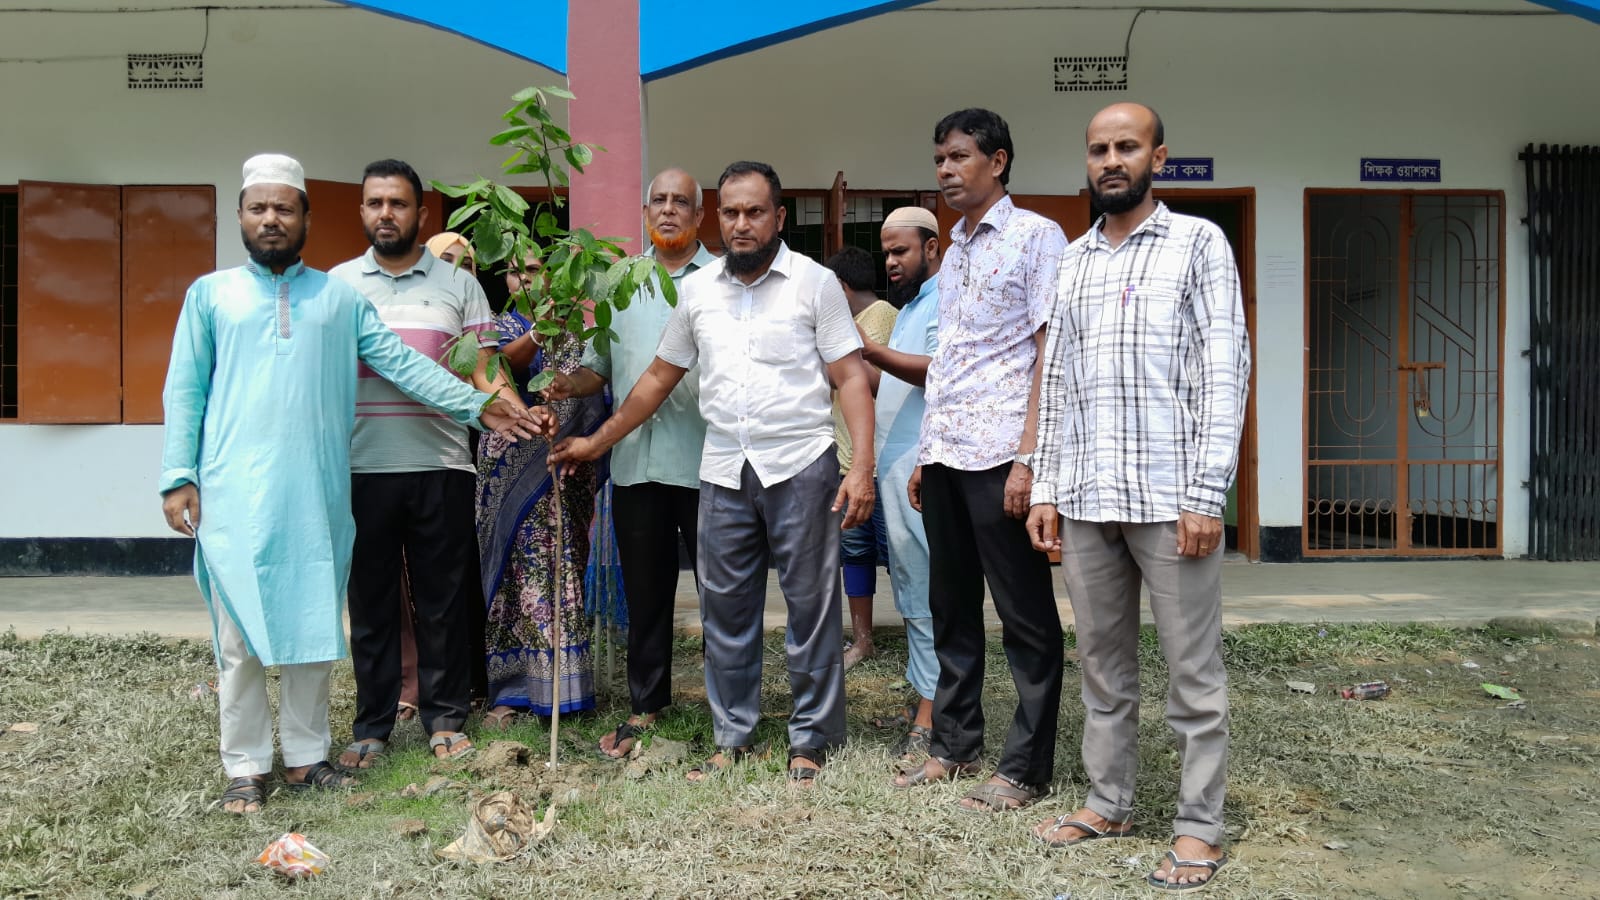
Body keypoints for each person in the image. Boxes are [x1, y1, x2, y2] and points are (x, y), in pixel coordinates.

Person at [159, 153, 539, 815]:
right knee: (239, 637)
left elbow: (403, 366)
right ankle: (246, 767)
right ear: (241, 216)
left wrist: (482, 406)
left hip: (319, 488)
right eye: (259, 208)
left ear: (306, 216)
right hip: (234, 492)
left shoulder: (338, 299)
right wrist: (178, 475)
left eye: (284, 208)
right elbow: (185, 390)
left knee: (312, 627)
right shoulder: (210, 295)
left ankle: (306, 757)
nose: (271, 219)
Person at [550, 161, 876, 785]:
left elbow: (851, 378)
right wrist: (594, 442)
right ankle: (734, 735)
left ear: (779, 217)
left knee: (809, 607)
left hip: (800, 463)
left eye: (755, 212)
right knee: (724, 611)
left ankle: (810, 738)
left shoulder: (814, 283)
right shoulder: (696, 293)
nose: (742, 224)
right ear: (717, 218)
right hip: (724, 466)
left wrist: (859, 466)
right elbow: (653, 381)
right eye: (731, 212)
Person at [1026, 102, 1249, 892]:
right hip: (1086, 497)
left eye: (1127, 146)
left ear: (1161, 155)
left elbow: (1223, 375)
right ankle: (1109, 799)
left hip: (1169, 499)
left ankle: (1198, 826)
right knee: (1103, 666)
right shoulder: (1075, 259)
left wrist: (1204, 496)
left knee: (1193, 674)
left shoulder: (1198, 245)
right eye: (1098, 149)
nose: (1111, 159)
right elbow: (1056, 383)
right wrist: (1047, 484)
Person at [893, 109, 1067, 813]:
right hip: (946, 457)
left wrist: (1031, 458)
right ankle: (955, 747)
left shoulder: (1036, 238)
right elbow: (955, 358)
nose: (944, 170)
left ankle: (1025, 767)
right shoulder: (955, 246)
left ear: (998, 161)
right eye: (939, 158)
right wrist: (925, 452)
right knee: (951, 608)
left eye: (959, 156)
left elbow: (1048, 352)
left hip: (1002, 457)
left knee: (1025, 619)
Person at [329, 160, 512, 770]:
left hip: (441, 463)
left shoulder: (459, 286)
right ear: (361, 212)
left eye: (398, 203)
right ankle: (373, 724)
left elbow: (483, 370)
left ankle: (445, 717)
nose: (387, 213)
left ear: (420, 214)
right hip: (360, 467)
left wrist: (513, 408)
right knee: (372, 600)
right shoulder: (336, 288)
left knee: (442, 599)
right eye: (375, 202)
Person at [542, 168, 715, 758]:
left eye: (680, 202)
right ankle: (647, 705)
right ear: (645, 214)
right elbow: (602, 366)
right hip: (636, 463)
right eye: (658, 201)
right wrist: (567, 384)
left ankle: (728, 704)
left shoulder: (718, 279)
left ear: (699, 215)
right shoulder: (621, 281)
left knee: (722, 591)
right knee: (646, 593)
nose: (668, 210)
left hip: (705, 461)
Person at [478, 247, 610, 727]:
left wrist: (587, 445)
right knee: (519, 576)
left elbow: (593, 390)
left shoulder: (574, 331)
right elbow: (496, 373)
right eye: (516, 272)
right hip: (512, 465)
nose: (526, 280)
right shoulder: (493, 327)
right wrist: (536, 333)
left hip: (563, 466)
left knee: (561, 567)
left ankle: (563, 688)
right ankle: (511, 691)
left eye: (535, 270)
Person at [855, 206, 941, 759]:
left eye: (901, 250)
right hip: (894, 467)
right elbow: (884, 379)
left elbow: (937, 368)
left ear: (932, 248)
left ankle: (934, 712)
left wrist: (866, 346)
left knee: (928, 589)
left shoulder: (948, 299)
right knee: (910, 586)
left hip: (922, 468)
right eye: (886, 252)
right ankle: (924, 697)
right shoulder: (910, 307)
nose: (890, 261)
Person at [822, 245, 896, 670]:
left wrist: (843, 356)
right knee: (855, 551)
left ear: (842, 287)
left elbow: (881, 383)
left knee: (897, 556)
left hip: (879, 461)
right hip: (847, 459)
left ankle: (922, 640)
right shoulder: (851, 322)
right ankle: (862, 639)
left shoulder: (882, 315)